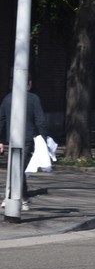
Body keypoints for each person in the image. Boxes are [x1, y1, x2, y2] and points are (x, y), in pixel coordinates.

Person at [0, 74, 48, 211]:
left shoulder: (7, 99)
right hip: (27, 138)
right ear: (29, 83)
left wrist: (1, 141)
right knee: (20, 169)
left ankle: (20, 197)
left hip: (12, 139)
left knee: (16, 167)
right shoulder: (33, 99)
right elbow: (40, 120)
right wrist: (44, 139)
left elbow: (1, 120)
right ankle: (17, 197)